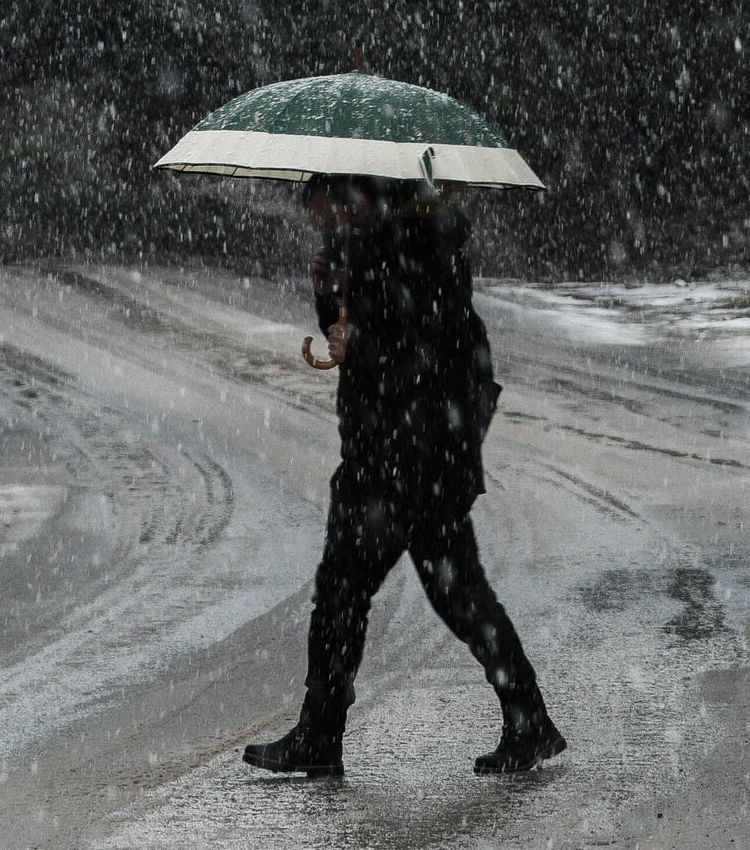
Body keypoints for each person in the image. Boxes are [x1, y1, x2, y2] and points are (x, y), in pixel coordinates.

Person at [242, 174, 566, 777]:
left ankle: (323, 733)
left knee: (351, 596)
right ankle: (527, 719)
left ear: (354, 196)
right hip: (406, 459)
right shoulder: (387, 244)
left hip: (402, 460)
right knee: (445, 594)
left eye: (324, 213)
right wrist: (332, 298)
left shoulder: (409, 246)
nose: (322, 226)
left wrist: (356, 324)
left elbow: (413, 353)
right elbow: (378, 341)